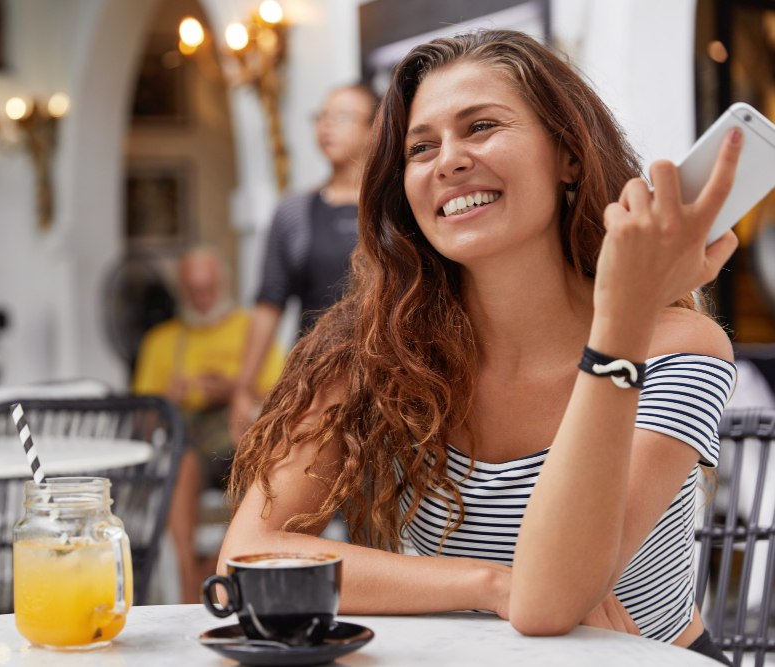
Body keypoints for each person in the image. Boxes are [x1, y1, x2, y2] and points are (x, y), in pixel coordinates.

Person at [220, 30, 741, 664]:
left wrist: (621, 321)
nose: (449, 160)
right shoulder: (377, 349)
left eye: (482, 126)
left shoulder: (674, 346)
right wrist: (489, 583)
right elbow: (251, 556)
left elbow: (552, 599)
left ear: (567, 155)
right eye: (422, 146)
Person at [131, 246, 283, 603]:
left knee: (258, 463)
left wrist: (234, 389)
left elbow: (284, 397)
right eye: (193, 290)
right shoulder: (160, 341)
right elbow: (140, 420)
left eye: (208, 289)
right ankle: (189, 582)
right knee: (179, 465)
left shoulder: (252, 330)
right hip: (191, 443)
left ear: (224, 284)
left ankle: (228, 568)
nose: (201, 298)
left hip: (240, 437)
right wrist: (167, 398)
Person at [228, 83, 379, 441]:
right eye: (321, 116)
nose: (326, 126)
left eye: (342, 117)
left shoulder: (394, 206)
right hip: (313, 385)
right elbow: (269, 301)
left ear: (374, 128)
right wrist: (243, 387)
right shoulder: (294, 212)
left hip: (386, 378)